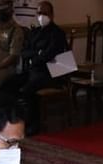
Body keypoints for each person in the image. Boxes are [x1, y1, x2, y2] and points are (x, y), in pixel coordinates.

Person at [10, 1, 69, 134]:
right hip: (33, 71)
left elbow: (49, 55)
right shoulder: (35, 32)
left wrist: (35, 56)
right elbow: (24, 52)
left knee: (27, 89)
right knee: (10, 83)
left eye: (45, 13)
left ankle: (32, 124)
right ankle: (13, 122)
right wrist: (37, 53)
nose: (41, 16)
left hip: (51, 73)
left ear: (52, 15)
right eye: (39, 13)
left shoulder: (57, 33)